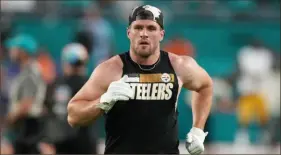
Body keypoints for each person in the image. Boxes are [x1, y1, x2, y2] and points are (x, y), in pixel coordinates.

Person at [67, 5, 213, 154]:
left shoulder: (179, 66)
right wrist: (103, 102)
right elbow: (73, 115)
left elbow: (205, 86)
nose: (144, 34)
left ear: (161, 34)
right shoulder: (111, 70)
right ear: (129, 33)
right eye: (138, 28)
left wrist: (198, 130)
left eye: (151, 28)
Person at [42, 43, 97, 154]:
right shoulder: (90, 84)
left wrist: (46, 138)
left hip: (60, 139)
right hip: (84, 139)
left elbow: (46, 110)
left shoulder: (55, 84)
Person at [4, 33, 47, 154]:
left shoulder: (30, 72)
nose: (11, 51)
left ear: (23, 52)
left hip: (28, 128)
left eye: (14, 48)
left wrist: (8, 120)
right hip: (25, 127)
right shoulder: (26, 70)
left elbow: (26, 103)